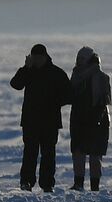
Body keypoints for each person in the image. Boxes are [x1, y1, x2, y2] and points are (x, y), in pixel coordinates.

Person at [9, 43, 71, 192]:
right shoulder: (28, 71)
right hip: (30, 121)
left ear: (45, 57)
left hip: (50, 121)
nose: (36, 61)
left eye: (38, 58)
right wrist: (25, 68)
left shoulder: (57, 73)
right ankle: (26, 182)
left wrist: (53, 103)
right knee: (30, 153)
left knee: (48, 154)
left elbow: (69, 95)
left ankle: (47, 184)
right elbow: (15, 84)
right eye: (33, 58)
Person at [68, 46, 111, 191]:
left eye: (82, 59)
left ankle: (94, 187)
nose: (79, 62)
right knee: (78, 152)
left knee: (94, 154)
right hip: (79, 119)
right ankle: (78, 183)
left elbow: (103, 102)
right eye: (78, 59)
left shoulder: (101, 77)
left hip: (97, 120)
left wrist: (96, 119)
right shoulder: (76, 75)